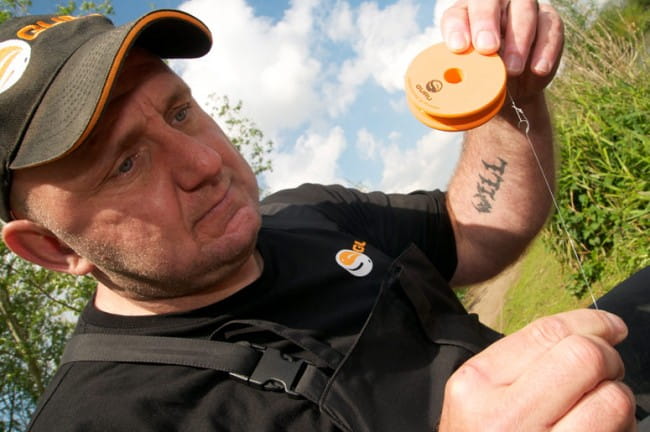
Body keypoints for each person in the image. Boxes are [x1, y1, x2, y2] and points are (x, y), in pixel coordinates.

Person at [0, 1, 643, 430]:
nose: (204, 162)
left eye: (179, 111)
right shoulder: (103, 420)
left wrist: (507, 101)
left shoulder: (310, 212)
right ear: (54, 248)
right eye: (124, 164)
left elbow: (476, 237)